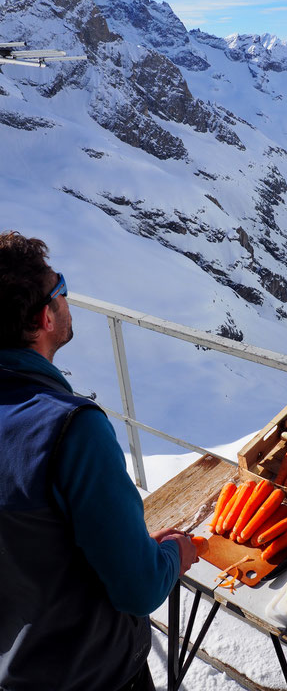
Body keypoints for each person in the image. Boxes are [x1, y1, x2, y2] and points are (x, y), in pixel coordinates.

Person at [0, 231, 198, 691]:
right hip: (91, 673)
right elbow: (140, 588)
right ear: (44, 316)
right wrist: (175, 553)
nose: (69, 299)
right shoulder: (70, 429)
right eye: (62, 289)